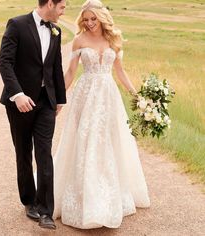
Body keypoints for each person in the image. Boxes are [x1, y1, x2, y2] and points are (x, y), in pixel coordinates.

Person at [53, 0, 150, 229]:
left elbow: (120, 72)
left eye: (93, 19)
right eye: (85, 19)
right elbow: (70, 72)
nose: (89, 23)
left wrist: (138, 97)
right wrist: (59, 100)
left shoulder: (113, 40)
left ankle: (107, 197)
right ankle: (84, 198)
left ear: (102, 17)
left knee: (108, 141)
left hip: (108, 97)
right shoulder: (79, 39)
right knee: (85, 141)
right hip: (85, 95)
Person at [0, 0, 66, 230]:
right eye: (62, 6)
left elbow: (56, 66)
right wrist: (17, 94)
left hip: (46, 102)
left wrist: (60, 100)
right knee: (24, 151)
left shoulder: (57, 31)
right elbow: (5, 62)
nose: (63, 11)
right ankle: (29, 201)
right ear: (50, 3)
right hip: (20, 104)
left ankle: (46, 210)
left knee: (44, 153)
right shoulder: (17, 25)